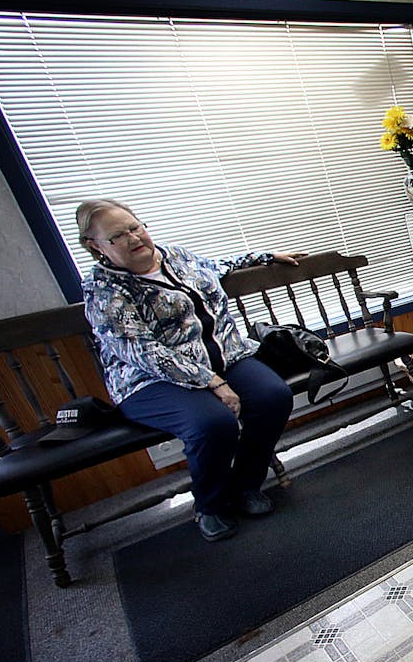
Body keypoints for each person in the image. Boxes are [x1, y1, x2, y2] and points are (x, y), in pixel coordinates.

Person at [78, 198, 302, 542]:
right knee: (213, 424)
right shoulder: (104, 288)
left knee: (273, 397)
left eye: (135, 227)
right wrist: (210, 381)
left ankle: (246, 485)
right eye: (118, 236)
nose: (133, 238)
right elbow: (140, 350)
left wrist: (264, 257)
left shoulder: (176, 256)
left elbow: (217, 265)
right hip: (148, 380)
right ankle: (209, 505)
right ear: (96, 247)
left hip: (223, 358)